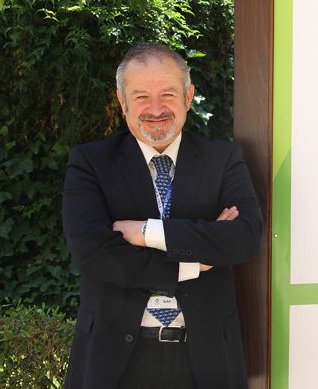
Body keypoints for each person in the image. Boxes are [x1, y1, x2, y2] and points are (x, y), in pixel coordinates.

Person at [62, 43, 262, 389]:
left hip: (207, 362)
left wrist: (147, 233)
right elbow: (93, 253)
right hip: (114, 362)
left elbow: (244, 238)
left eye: (167, 94)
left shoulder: (223, 160)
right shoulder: (91, 163)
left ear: (188, 96)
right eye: (141, 97)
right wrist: (193, 264)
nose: (156, 109)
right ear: (123, 102)